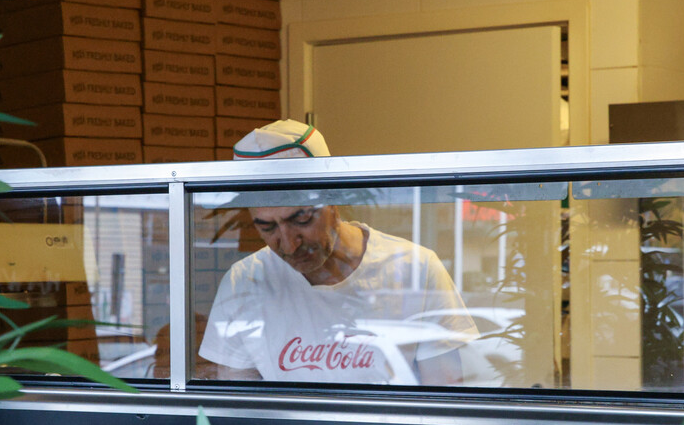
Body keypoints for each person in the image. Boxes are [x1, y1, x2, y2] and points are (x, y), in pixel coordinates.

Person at [197, 119, 478, 386]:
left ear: (333, 198)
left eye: (302, 219)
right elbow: (241, 403)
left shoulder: (416, 268)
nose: (290, 244)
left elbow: (445, 395)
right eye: (267, 227)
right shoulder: (243, 281)